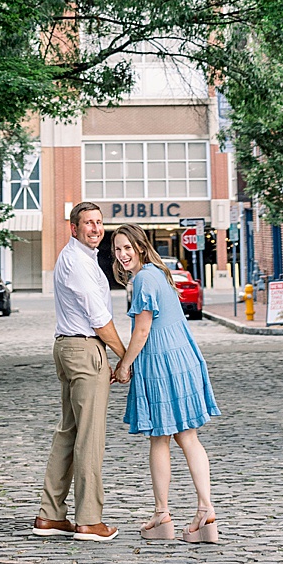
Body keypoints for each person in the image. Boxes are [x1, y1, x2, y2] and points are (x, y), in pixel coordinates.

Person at [110, 224, 220, 543]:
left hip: (161, 363)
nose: (123, 254)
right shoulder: (159, 272)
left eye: (128, 247)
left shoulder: (143, 278)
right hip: (183, 359)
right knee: (188, 437)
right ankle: (205, 511)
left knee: (160, 439)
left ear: (141, 246)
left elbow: (142, 332)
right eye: (117, 249)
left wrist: (123, 366)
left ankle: (162, 515)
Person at [33, 201, 127, 543]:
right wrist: (126, 357)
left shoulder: (80, 259)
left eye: (99, 222)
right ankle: (89, 520)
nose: (95, 228)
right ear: (74, 228)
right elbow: (99, 319)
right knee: (89, 436)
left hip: (71, 347)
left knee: (69, 432)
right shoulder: (77, 262)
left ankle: (51, 514)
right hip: (84, 349)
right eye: (88, 223)